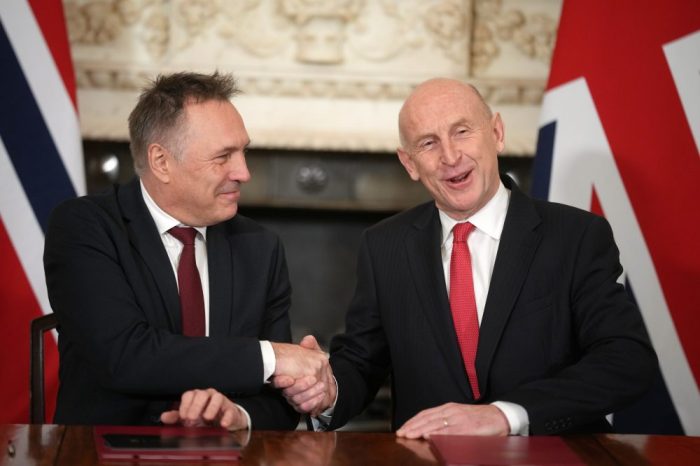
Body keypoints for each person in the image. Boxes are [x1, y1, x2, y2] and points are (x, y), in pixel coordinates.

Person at [277, 78, 657, 437]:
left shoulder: (575, 236)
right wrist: (328, 391)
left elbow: (626, 359)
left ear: (497, 133)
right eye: (428, 143)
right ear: (409, 164)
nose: (450, 156)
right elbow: (363, 362)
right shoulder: (384, 245)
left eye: (462, 131)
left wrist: (506, 415)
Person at [43, 71, 328, 429]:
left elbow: (280, 402)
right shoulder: (86, 226)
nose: (243, 172)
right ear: (161, 161)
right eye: (223, 156)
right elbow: (124, 356)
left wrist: (237, 415)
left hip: (226, 452)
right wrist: (272, 357)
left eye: (243, 152)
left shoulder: (259, 247)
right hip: (102, 448)